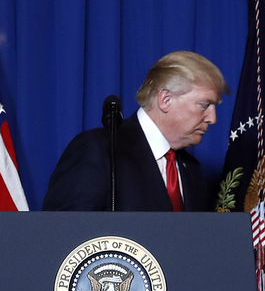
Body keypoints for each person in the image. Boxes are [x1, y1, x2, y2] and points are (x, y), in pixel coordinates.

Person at [42, 51, 229, 212]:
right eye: (205, 105)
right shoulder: (101, 150)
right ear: (165, 99)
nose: (213, 118)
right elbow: (63, 236)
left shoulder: (192, 170)